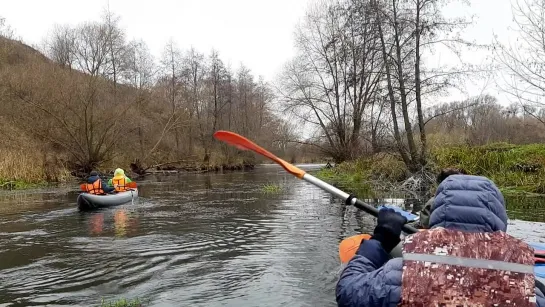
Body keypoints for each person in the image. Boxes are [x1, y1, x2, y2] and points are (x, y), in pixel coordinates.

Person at [336, 174, 545, 306]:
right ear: (500, 219)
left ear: (437, 213)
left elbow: (347, 290)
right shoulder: (527, 289)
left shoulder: (403, 274)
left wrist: (380, 239)